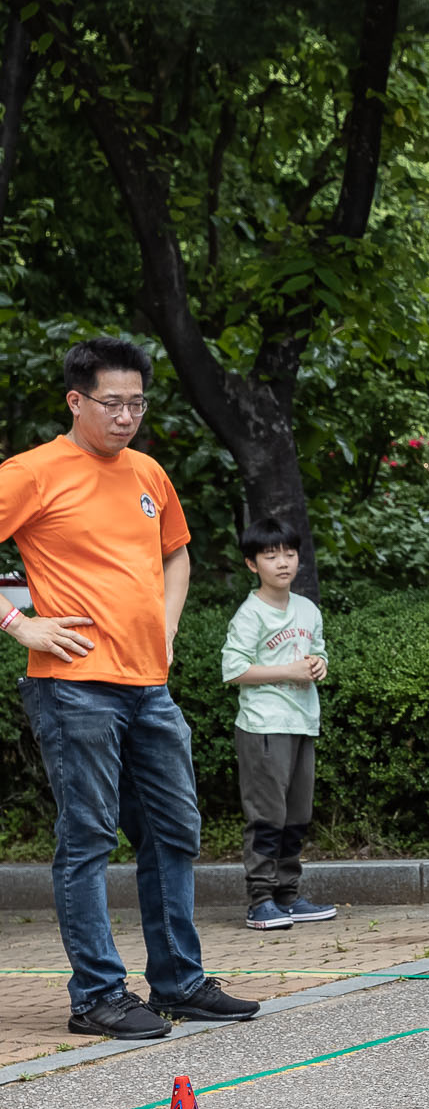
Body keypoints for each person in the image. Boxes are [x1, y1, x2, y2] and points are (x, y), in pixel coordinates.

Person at [3, 337, 257, 1037]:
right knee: (86, 837)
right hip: (73, 686)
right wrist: (19, 625)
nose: (126, 416)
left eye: (137, 402)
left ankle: (177, 981)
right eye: (111, 403)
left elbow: (177, 555)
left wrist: (167, 628)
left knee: (175, 830)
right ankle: (97, 996)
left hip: (149, 686)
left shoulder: (148, 471)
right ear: (76, 400)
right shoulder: (31, 472)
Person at [221, 516, 333, 931]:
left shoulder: (307, 609)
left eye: (289, 553)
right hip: (263, 724)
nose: (282, 562)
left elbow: (317, 653)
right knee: (267, 815)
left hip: (303, 721)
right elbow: (233, 670)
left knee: (297, 814)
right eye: (271, 556)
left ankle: (288, 895)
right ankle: (260, 901)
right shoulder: (249, 615)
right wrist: (288, 670)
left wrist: (318, 664)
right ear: (253, 564)